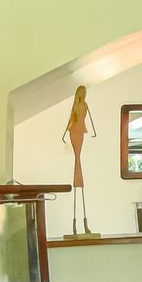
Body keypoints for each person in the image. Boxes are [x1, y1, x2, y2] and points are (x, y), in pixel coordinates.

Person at [61, 86, 97, 237]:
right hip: (74, 129)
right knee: (77, 157)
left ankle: (83, 224)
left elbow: (89, 118)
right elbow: (71, 118)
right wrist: (64, 133)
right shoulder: (75, 105)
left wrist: (94, 131)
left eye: (84, 92)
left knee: (78, 157)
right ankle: (77, 224)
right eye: (81, 92)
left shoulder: (85, 105)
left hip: (81, 129)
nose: (83, 94)